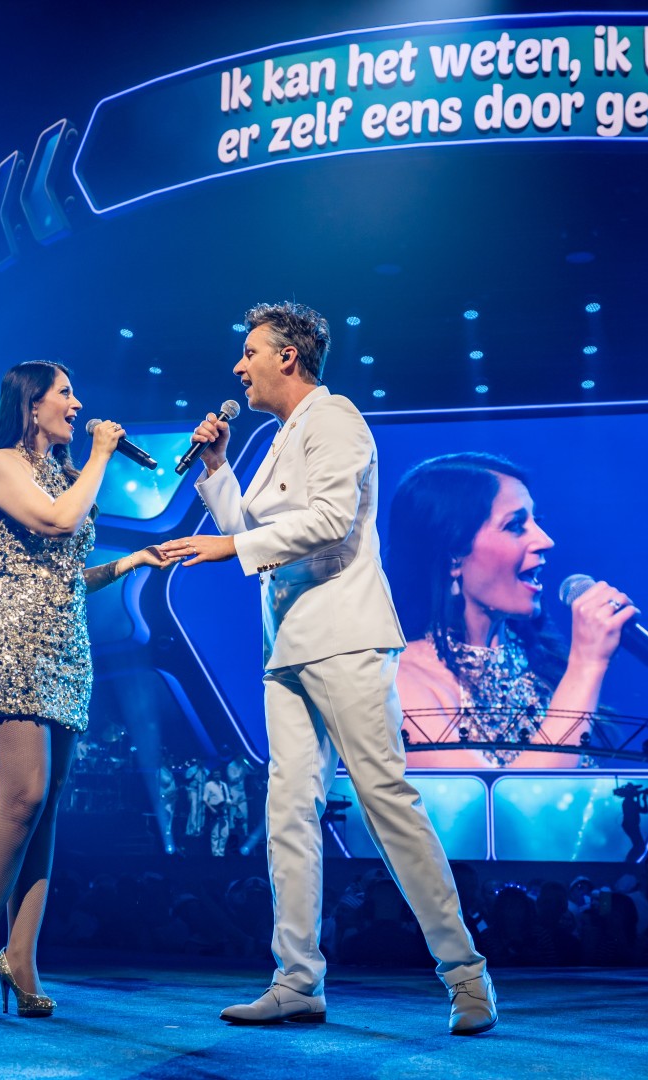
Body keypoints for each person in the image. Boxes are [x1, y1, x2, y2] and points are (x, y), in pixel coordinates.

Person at [160, 301, 494, 1035]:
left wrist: (231, 548)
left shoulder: (335, 419)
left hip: (345, 637)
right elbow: (253, 532)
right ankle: (296, 980)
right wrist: (216, 471)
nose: (238, 367)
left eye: (250, 352)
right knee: (287, 813)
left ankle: (466, 975)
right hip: (287, 646)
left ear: (288, 356)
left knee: (385, 801)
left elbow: (329, 521)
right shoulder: (281, 437)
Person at [0, 360, 170, 1019]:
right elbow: (54, 524)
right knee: (21, 797)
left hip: (67, 648)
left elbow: (68, 570)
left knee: (46, 809)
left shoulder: (62, 475)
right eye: (66, 393)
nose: (78, 405)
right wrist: (101, 456)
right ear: (32, 404)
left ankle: (21, 957)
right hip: (14, 640)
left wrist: (129, 562)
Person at [384, 453, 638, 769]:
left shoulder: (544, 666)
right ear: (453, 557)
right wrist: (587, 664)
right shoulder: (395, 685)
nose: (546, 541)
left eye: (536, 522)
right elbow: (503, 798)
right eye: (516, 525)